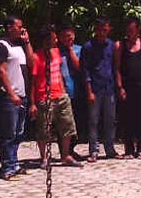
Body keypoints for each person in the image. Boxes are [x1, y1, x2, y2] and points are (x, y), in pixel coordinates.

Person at [30, 25, 83, 168]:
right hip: (43, 97)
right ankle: (45, 158)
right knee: (44, 130)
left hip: (60, 95)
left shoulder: (57, 53)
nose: (56, 40)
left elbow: (59, 72)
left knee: (67, 126)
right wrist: (33, 103)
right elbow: (33, 82)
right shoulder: (36, 57)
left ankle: (65, 156)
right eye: (53, 38)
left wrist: (63, 90)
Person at [0, 15, 34, 180]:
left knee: (19, 132)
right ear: (9, 27)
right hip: (10, 96)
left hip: (22, 95)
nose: (21, 29)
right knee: (8, 133)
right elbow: (1, 70)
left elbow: (31, 63)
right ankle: (7, 166)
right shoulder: (2, 46)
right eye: (18, 27)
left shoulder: (19, 46)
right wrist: (11, 93)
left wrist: (27, 42)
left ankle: (14, 162)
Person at [81, 17, 118, 161]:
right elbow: (86, 71)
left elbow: (115, 67)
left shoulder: (112, 45)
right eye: (99, 30)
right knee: (93, 121)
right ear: (95, 30)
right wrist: (89, 91)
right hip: (95, 89)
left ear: (108, 30)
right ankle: (94, 151)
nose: (102, 33)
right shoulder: (88, 47)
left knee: (111, 120)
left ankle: (110, 149)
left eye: (105, 30)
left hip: (109, 88)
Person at [114, 17, 141, 159]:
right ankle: (129, 150)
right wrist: (120, 87)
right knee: (126, 119)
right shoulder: (120, 46)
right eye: (127, 30)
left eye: (132, 30)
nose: (129, 33)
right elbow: (116, 68)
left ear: (138, 30)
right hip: (126, 87)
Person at [57, 24, 87, 161]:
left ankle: (71, 149)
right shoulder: (56, 52)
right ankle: (65, 152)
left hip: (78, 91)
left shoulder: (80, 50)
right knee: (64, 125)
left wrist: (70, 51)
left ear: (73, 35)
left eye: (69, 35)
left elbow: (80, 67)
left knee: (78, 123)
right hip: (62, 92)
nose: (66, 38)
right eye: (63, 36)